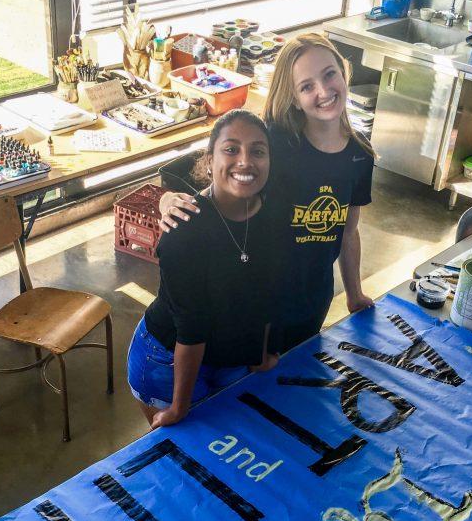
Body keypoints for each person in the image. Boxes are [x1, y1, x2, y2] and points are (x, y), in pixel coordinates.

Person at [159, 33, 375, 354]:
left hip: (314, 297)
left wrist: (354, 294)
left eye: (329, 74)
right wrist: (168, 199)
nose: (323, 91)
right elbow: (219, 176)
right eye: (306, 86)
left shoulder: (360, 154)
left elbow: (348, 230)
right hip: (257, 297)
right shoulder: (275, 142)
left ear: (344, 72)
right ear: (294, 97)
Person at [127, 110, 279, 428]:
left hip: (230, 353)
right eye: (231, 149)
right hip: (167, 362)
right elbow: (192, 327)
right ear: (209, 160)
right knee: (185, 456)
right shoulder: (184, 230)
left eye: (257, 151)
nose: (245, 161)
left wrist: (259, 355)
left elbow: (266, 295)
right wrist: (179, 407)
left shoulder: (273, 218)